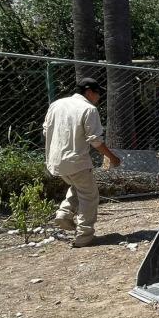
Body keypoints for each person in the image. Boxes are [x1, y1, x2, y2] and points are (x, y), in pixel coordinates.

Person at [43, 78, 121, 248]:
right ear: (89, 92)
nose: (98, 97)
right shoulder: (89, 109)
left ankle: (64, 213)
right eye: (97, 93)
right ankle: (84, 236)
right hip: (76, 161)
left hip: (55, 162)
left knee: (79, 187)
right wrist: (113, 157)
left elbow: (45, 130)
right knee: (89, 196)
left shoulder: (56, 104)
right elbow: (95, 141)